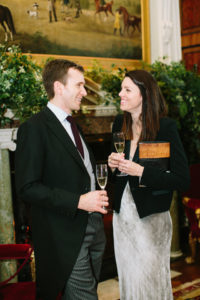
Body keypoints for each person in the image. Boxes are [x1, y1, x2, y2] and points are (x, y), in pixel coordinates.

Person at [15, 59, 109, 300]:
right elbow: (27, 187)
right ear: (59, 87)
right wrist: (78, 201)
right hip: (64, 234)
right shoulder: (34, 128)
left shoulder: (74, 125)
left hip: (94, 226)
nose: (84, 92)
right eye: (79, 85)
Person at [108, 70, 190, 300]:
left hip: (151, 219)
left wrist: (142, 172)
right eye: (121, 89)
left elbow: (182, 179)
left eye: (127, 90)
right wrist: (113, 165)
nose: (120, 94)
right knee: (129, 279)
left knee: (151, 283)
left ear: (144, 94)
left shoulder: (166, 127)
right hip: (122, 217)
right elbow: (119, 173)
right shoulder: (118, 123)